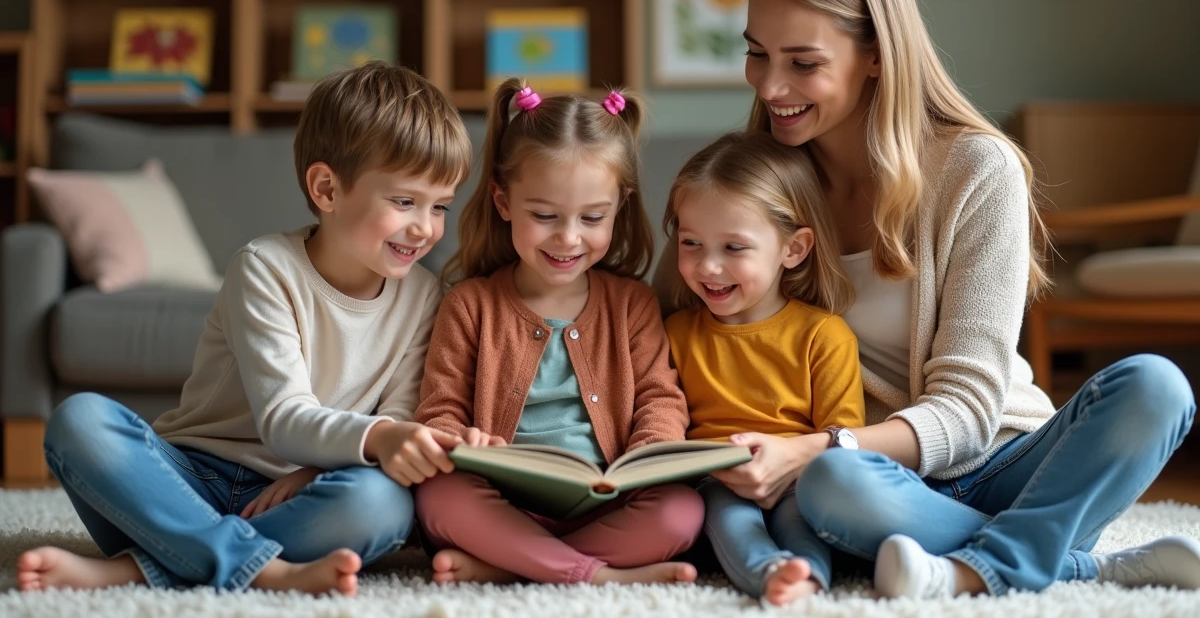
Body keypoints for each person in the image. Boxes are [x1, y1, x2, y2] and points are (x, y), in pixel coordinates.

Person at [656, 0, 1199, 598]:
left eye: (803, 62)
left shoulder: (977, 170)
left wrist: (813, 447)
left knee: (1157, 386)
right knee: (832, 482)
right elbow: (676, 317)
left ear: (876, 52)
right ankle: (1066, 560)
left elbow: (970, 412)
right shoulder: (764, 181)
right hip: (873, 483)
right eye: (756, 53)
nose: (769, 86)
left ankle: (979, 563)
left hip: (1004, 458)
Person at [18, 61, 473, 596]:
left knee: (383, 502)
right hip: (188, 480)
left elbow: (394, 416)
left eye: (439, 206)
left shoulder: (424, 298)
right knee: (79, 421)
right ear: (327, 189)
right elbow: (283, 418)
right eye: (403, 202)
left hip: (306, 490)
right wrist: (378, 438)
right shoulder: (264, 267)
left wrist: (318, 473)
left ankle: (141, 569)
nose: (426, 227)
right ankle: (265, 569)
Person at [414, 79, 704, 587]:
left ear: (620, 206)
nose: (568, 238)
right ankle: (593, 574)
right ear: (504, 202)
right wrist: (467, 440)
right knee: (439, 497)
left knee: (681, 511)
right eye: (544, 215)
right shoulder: (470, 304)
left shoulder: (631, 303)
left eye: (593, 217)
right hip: (502, 500)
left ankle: (508, 565)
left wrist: (644, 457)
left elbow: (661, 398)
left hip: (605, 500)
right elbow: (438, 412)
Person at [662, 131, 864, 605]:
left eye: (734, 248)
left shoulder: (823, 334)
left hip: (798, 476)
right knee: (728, 515)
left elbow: (844, 433)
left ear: (793, 249)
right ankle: (768, 573)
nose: (708, 266)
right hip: (717, 480)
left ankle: (809, 574)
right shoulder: (674, 332)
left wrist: (791, 464)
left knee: (800, 518)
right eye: (692, 242)